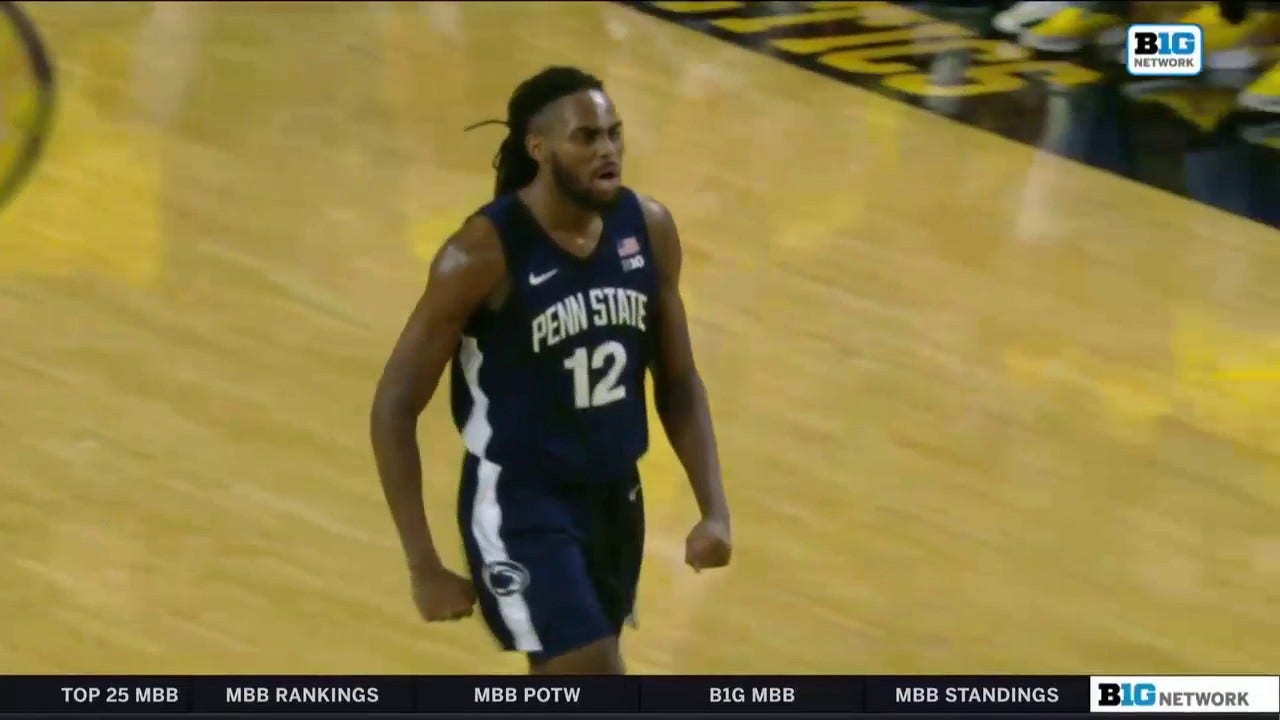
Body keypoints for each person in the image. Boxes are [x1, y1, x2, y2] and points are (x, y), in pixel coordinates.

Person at [370, 66, 732, 674]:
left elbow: (678, 382)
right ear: (538, 150)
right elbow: (394, 405)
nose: (608, 150)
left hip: (616, 495)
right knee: (590, 668)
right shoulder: (480, 254)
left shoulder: (648, 228)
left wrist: (714, 508)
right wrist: (422, 564)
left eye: (614, 133)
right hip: (520, 501)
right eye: (587, 137)